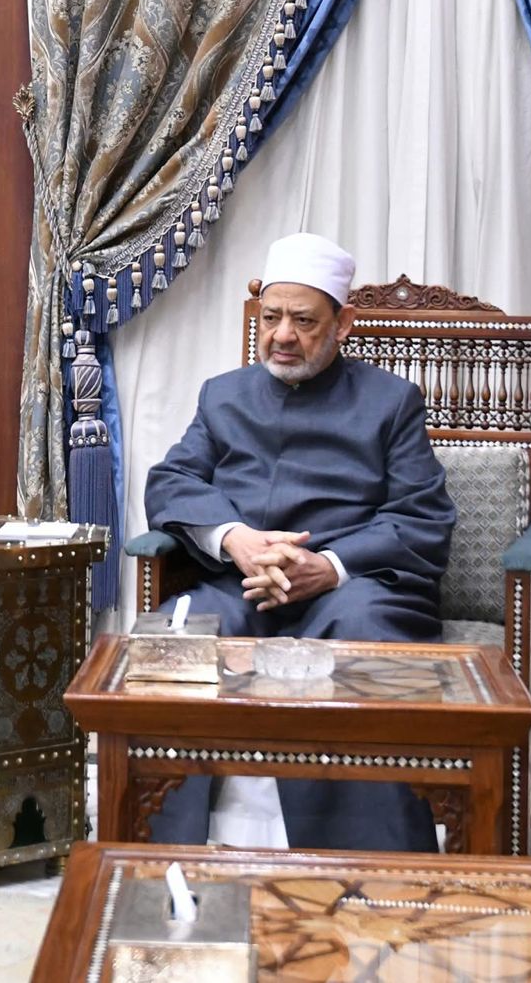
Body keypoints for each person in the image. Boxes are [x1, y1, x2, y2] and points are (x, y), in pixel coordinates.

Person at [142, 232, 455, 852]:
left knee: (364, 639)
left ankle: (364, 870)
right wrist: (235, 539)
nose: (282, 335)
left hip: (353, 590)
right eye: (271, 317)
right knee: (175, 642)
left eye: (304, 321)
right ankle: (164, 863)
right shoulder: (222, 394)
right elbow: (172, 480)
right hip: (240, 584)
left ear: (344, 323)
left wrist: (330, 567)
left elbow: (422, 515)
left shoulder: (392, 402)